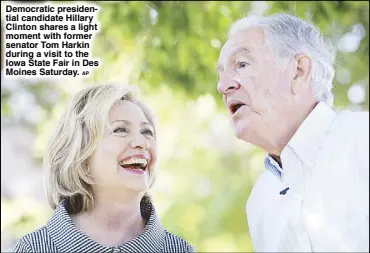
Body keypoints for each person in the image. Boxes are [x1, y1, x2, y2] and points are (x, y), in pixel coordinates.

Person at [216, 12, 369, 252]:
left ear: (298, 71)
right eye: (220, 74)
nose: (222, 86)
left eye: (242, 64)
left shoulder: (363, 139)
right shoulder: (259, 202)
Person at [13, 84, 195, 252]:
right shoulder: (33, 248)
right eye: (120, 130)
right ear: (81, 154)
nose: (142, 143)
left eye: (147, 132)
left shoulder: (179, 249)